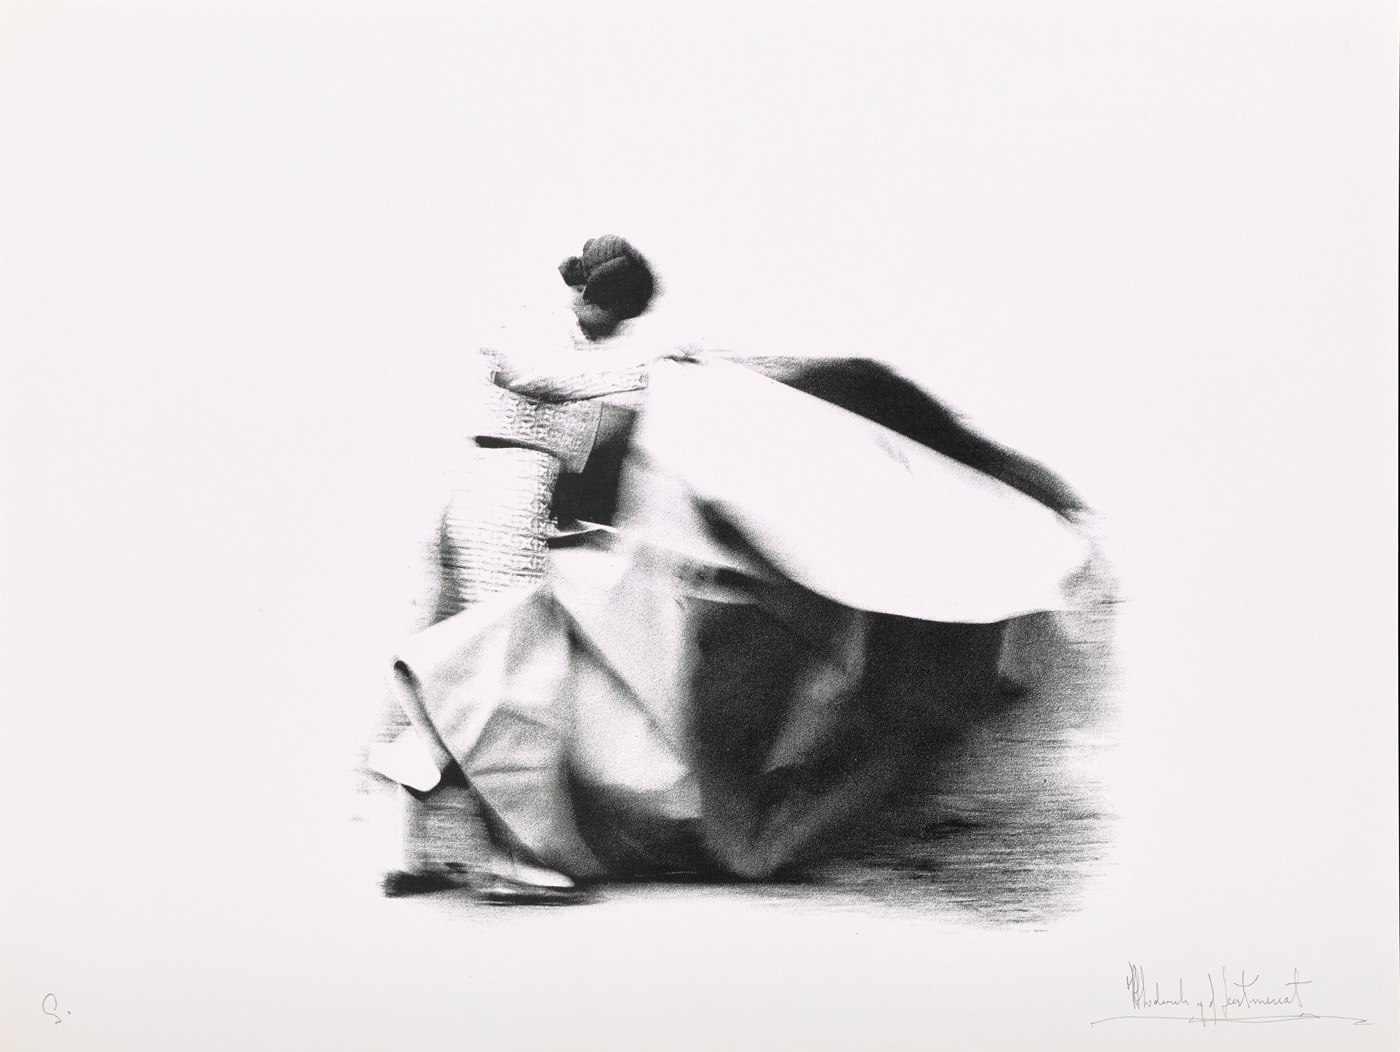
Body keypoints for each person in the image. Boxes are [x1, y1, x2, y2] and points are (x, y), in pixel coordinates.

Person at [363, 236, 1096, 900]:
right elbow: (540, 379)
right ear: (597, 297)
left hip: (530, 501)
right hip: (508, 495)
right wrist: (655, 371)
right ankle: (498, 851)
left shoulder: (604, 357)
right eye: (616, 315)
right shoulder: (540, 332)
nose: (617, 329)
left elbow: (602, 424)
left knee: (498, 657)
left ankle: (427, 830)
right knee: (508, 663)